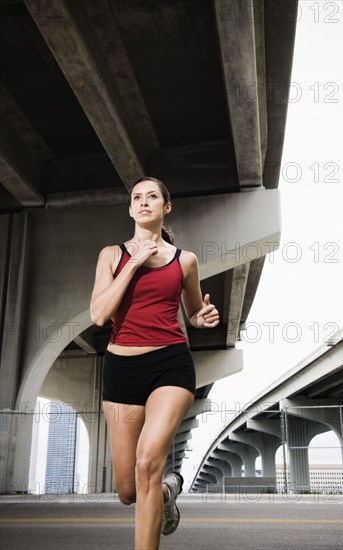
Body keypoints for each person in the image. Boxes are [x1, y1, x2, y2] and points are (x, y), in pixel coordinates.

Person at [90, 176, 219, 549]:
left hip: (171, 365)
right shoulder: (110, 255)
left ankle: (158, 485)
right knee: (128, 490)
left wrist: (203, 317)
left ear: (166, 207)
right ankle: (166, 492)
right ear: (131, 209)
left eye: (153, 197)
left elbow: (193, 313)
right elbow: (99, 314)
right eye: (137, 197)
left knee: (147, 463)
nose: (144, 202)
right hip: (121, 371)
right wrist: (134, 264)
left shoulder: (185, 261)